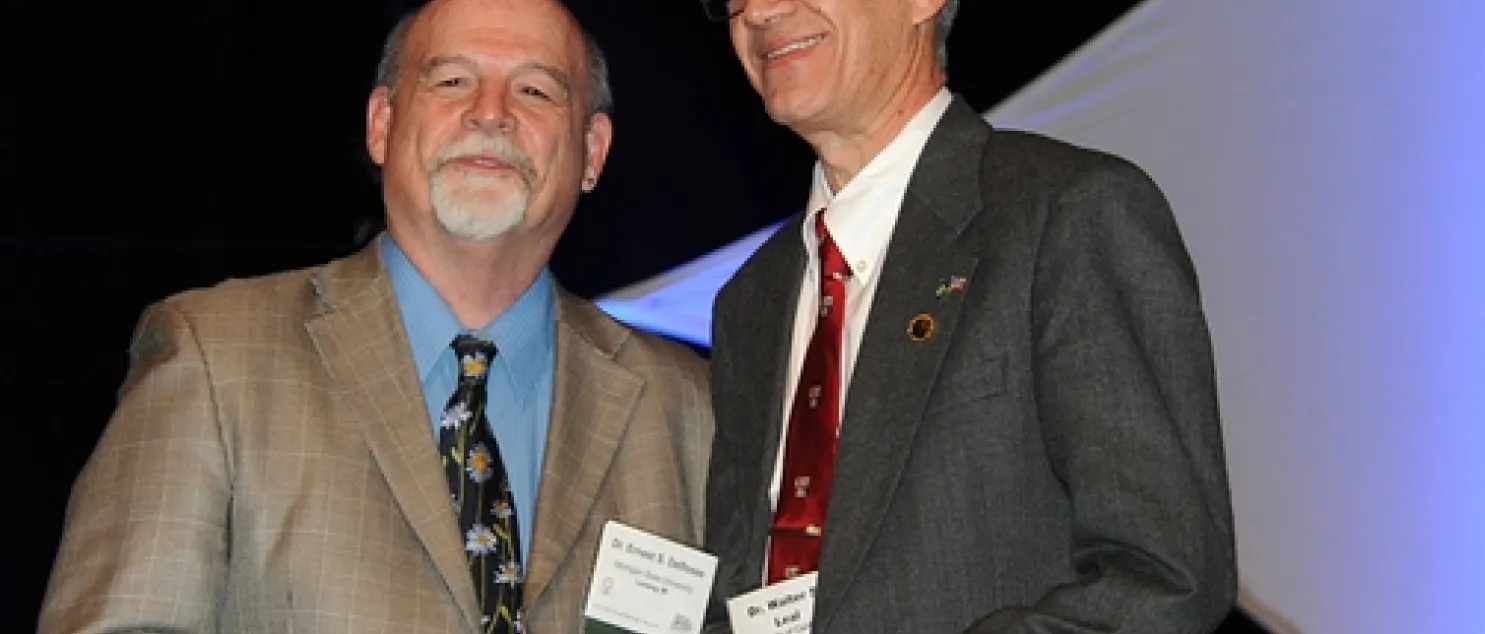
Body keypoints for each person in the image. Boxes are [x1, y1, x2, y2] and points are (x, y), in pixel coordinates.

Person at [37, 0, 714, 632]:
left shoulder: (688, 407)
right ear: (381, 125)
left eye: (535, 90)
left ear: (592, 151)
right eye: (451, 81)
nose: (490, 113)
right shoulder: (215, 361)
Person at [699, 0, 1238, 632]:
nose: (760, 10)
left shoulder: (1065, 215)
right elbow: (737, 592)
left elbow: (1165, 579)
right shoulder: (750, 300)